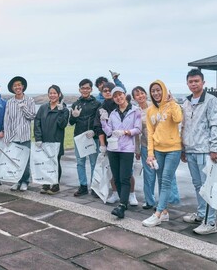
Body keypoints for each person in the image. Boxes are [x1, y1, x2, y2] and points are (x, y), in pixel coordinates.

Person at [181, 68, 217, 235]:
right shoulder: (186, 102)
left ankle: (210, 222)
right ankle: (201, 214)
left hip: (205, 151)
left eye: (196, 81)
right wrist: (183, 148)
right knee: (198, 185)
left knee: (208, 186)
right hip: (190, 150)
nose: (193, 84)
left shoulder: (211, 101)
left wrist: (214, 149)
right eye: (190, 81)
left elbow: (215, 125)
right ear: (187, 83)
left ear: (203, 82)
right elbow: (183, 126)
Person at [142, 80, 183, 227]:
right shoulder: (150, 110)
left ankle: (157, 214)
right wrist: (150, 153)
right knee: (160, 181)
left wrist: (172, 103)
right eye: (153, 91)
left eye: (158, 90)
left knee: (166, 181)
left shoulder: (173, 106)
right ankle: (164, 212)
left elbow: (178, 119)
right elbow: (150, 133)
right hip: (158, 150)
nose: (156, 93)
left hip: (173, 149)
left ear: (164, 90)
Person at [132, 86, 180, 210]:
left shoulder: (154, 106)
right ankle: (149, 200)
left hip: (161, 145)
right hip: (145, 145)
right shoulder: (136, 112)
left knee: (165, 174)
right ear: (134, 98)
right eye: (137, 95)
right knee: (149, 175)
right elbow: (137, 133)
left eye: (142, 93)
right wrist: (137, 150)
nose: (140, 96)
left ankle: (167, 200)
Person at [100, 86, 141, 219]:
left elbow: (138, 129)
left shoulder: (135, 111)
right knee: (116, 177)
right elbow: (109, 132)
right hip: (113, 149)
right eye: (115, 96)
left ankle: (122, 205)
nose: (118, 97)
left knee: (125, 177)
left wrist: (126, 132)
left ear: (125, 94)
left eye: (120, 94)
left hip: (127, 149)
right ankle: (122, 202)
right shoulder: (113, 113)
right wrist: (103, 120)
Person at [69, 79, 103, 197]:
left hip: (92, 137)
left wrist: (94, 131)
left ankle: (94, 187)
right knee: (80, 162)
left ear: (91, 89)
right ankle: (83, 186)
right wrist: (74, 116)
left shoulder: (97, 103)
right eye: (83, 88)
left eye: (87, 88)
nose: (85, 90)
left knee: (94, 163)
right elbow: (71, 122)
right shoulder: (75, 104)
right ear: (79, 89)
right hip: (79, 136)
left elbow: (99, 120)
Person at [34, 85, 70, 194]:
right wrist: (38, 138)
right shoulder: (43, 107)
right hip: (44, 140)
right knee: (44, 162)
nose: (52, 95)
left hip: (56, 140)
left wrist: (60, 111)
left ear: (59, 94)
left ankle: (55, 185)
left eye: (55, 93)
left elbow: (62, 125)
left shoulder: (64, 109)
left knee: (55, 162)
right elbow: (37, 122)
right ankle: (45, 184)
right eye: (50, 93)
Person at [4, 76, 36, 191]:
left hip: (25, 136)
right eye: (15, 86)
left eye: (19, 85)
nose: (17, 87)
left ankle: (25, 181)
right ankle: (16, 180)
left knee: (25, 160)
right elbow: (7, 120)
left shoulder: (30, 100)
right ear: (12, 88)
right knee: (14, 160)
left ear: (22, 87)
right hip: (13, 136)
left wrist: (24, 108)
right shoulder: (10, 102)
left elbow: (32, 116)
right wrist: (7, 137)